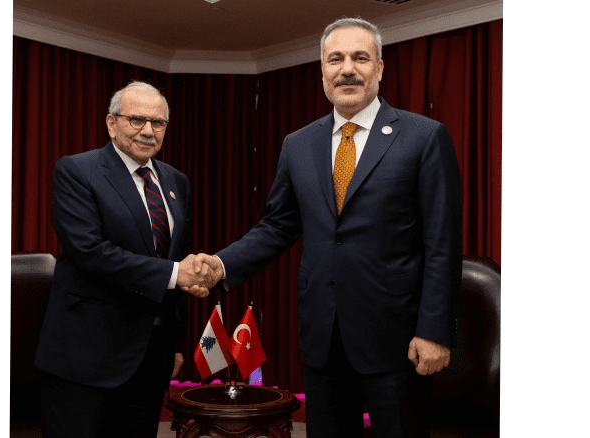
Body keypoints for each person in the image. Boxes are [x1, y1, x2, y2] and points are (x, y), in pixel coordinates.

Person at [191, 18, 463, 438]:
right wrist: (222, 264)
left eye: (360, 58)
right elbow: (277, 227)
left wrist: (434, 331)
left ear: (379, 68)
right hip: (323, 336)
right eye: (335, 59)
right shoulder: (298, 144)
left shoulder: (423, 137)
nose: (347, 69)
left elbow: (442, 243)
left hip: (398, 340)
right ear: (322, 70)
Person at [34, 81, 215, 438]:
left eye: (158, 122)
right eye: (136, 120)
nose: (148, 130)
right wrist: (176, 273)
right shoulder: (77, 171)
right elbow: (91, 253)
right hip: (86, 359)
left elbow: (176, 260)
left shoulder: (176, 181)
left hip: (151, 358)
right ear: (111, 123)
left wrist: (177, 344)